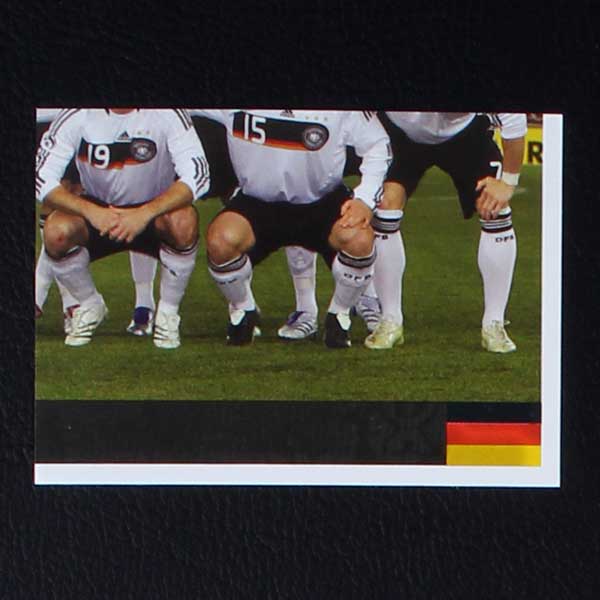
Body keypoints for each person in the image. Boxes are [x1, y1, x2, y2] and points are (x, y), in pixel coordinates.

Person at [197, 109, 391, 348]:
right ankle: (244, 310)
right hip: (257, 204)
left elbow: (378, 144)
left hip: (323, 203)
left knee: (359, 239)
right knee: (220, 241)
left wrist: (365, 199)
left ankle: (339, 315)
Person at [36, 108, 209, 348]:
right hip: (99, 210)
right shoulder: (77, 114)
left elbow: (198, 175)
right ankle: (90, 303)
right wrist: (91, 211)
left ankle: (168, 313)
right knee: (56, 230)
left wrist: (144, 213)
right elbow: (41, 176)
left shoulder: (168, 114)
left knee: (183, 221)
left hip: (153, 211)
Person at [365, 111, 526, 352]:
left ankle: (494, 323)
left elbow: (515, 123)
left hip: (465, 135)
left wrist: (508, 183)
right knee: (386, 203)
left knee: (495, 207)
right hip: (401, 134)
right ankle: (390, 319)